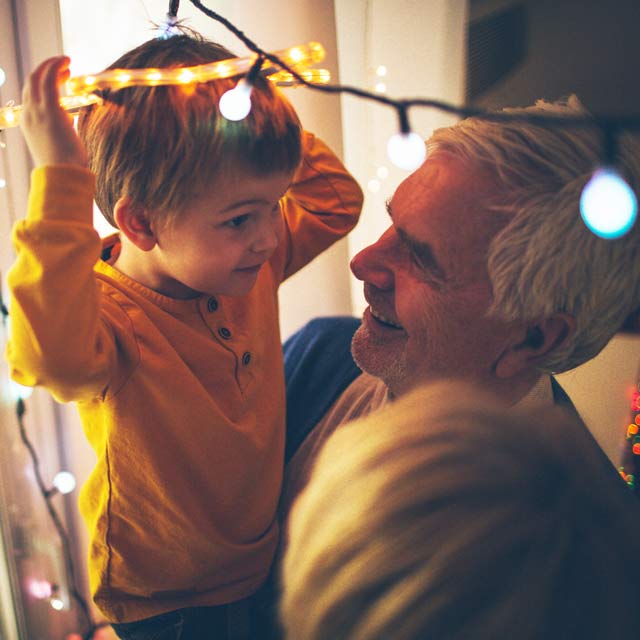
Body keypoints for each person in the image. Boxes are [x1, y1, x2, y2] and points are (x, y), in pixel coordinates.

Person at [5, 32, 362, 638]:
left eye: (272, 206)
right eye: (240, 218)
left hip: (255, 558)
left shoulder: (243, 264)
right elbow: (49, 361)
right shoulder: (109, 315)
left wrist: (252, 122)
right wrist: (64, 180)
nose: (269, 236)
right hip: (166, 600)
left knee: (336, 339)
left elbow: (334, 202)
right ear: (140, 222)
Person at [280, 96, 640, 518]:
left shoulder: (574, 554)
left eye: (419, 256)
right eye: (394, 224)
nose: (363, 263)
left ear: (531, 338)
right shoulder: (315, 355)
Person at [281, 380, 640, 640]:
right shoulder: (319, 359)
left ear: (535, 338)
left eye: (431, 270)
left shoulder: (590, 545)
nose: (363, 272)